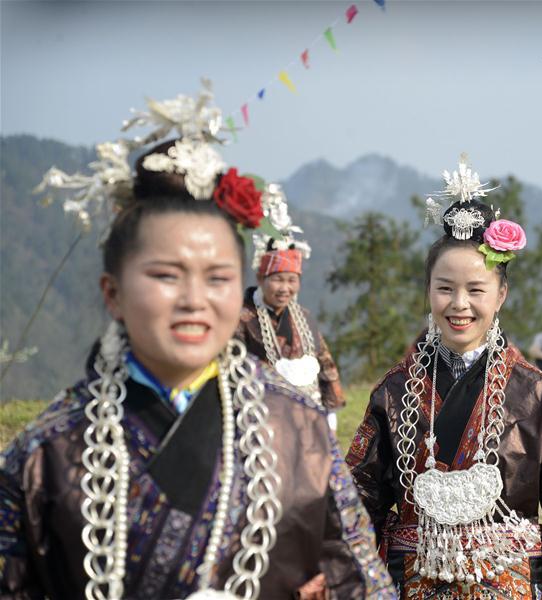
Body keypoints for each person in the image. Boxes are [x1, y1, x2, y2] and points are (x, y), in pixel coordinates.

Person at [0, 86, 393, 599]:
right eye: (166, 275)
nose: (194, 299)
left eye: (217, 278)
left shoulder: (299, 429)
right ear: (113, 293)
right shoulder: (45, 454)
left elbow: (364, 584)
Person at [346, 159, 542, 599]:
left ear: (501, 294)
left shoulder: (534, 391)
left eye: (476, 290)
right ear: (427, 290)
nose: (459, 305)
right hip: (416, 582)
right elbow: (358, 494)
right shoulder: (394, 393)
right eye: (444, 288)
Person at [236, 190, 345, 430]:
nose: (285, 288)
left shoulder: (303, 316)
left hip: (311, 413)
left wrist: (331, 405)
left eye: (292, 280)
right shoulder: (242, 319)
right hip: (262, 416)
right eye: (278, 279)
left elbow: (324, 360)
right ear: (261, 277)